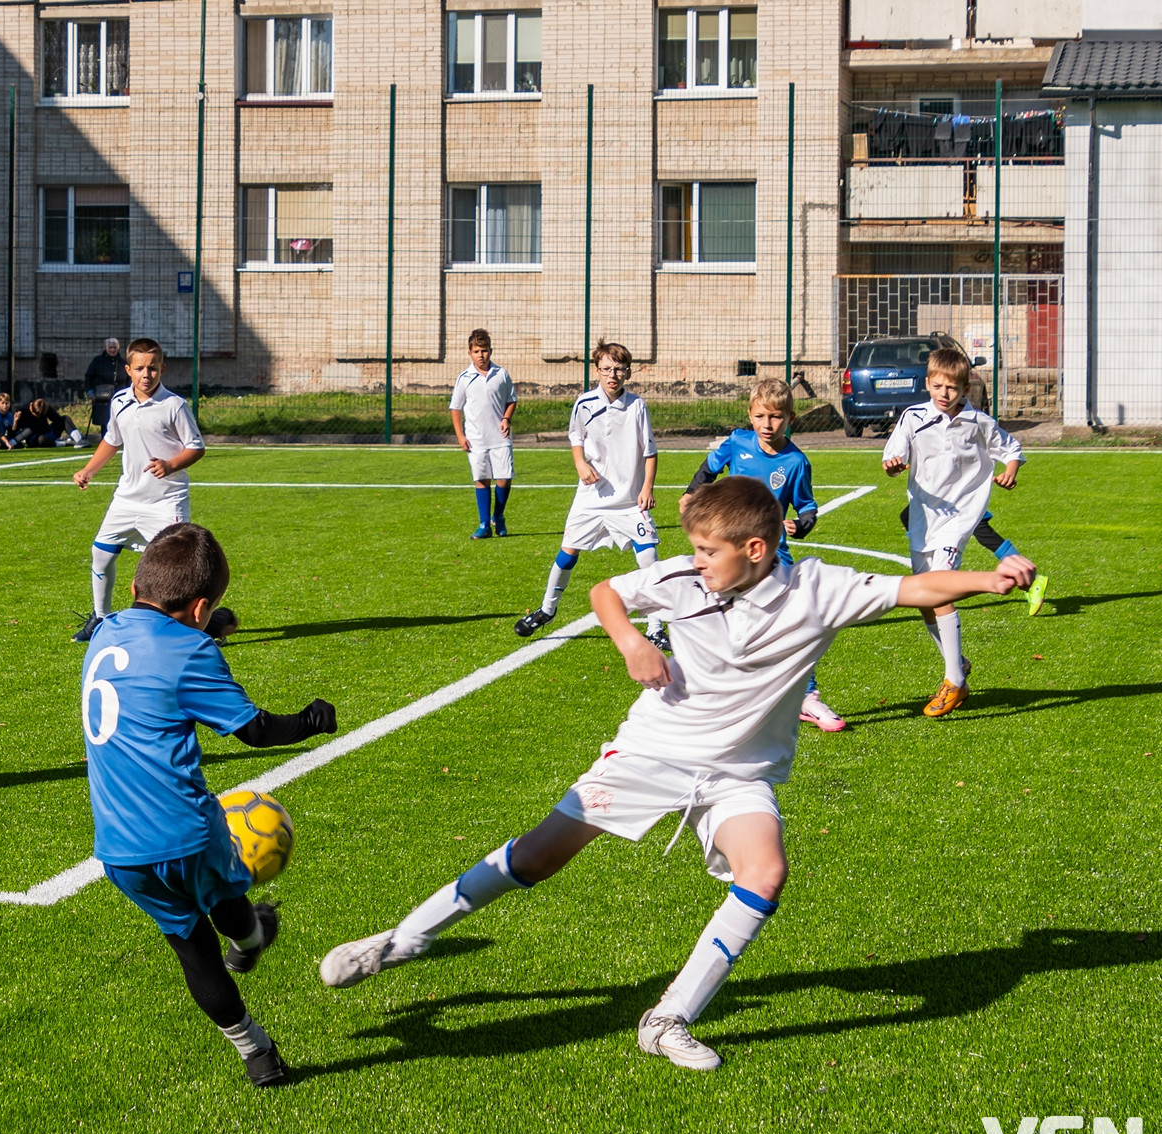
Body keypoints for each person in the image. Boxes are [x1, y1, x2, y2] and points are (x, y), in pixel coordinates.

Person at [319, 476, 1038, 1070]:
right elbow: (606, 592)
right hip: (652, 751)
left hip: (738, 774)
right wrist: (631, 642)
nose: (694, 559)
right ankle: (404, 939)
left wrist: (991, 575)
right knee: (539, 853)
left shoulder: (820, 588)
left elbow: (913, 588)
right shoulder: (681, 579)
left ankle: (667, 1019)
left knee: (766, 873)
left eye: (706, 549)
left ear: (755, 549)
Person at [83, 522, 337, 1087]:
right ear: (199, 609)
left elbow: (158, 638)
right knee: (226, 892)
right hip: (188, 831)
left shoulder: (103, 632)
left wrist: (209, 623)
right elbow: (255, 731)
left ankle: (258, 1054)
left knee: (192, 949)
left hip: (120, 849)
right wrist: (312, 719)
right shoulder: (191, 650)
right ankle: (251, 940)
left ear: (133, 590)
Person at [882, 346, 1043, 717]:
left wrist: (1011, 470)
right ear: (927, 384)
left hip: (960, 517)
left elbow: (1011, 447)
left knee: (939, 588)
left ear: (965, 388)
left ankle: (953, 679)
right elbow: (893, 455)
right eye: (937, 386)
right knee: (924, 597)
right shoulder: (913, 417)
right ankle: (959, 667)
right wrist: (892, 465)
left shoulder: (978, 422)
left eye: (951, 388)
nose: (944, 394)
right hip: (925, 515)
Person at [681, 379, 845, 732]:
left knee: (792, 624)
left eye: (776, 417)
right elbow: (708, 469)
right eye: (760, 416)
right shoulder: (737, 442)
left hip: (772, 557)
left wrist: (800, 526)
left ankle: (808, 697)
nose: (767, 425)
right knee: (716, 622)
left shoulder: (796, 462)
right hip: (727, 555)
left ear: (790, 418)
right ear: (749, 415)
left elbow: (807, 506)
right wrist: (691, 493)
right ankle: (712, 695)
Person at [514, 340, 667, 649]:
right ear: (597, 370)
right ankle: (546, 610)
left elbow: (649, 452)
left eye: (619, 369)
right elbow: (576, 437)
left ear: (628, 373)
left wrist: (647, 488)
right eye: (607, 369)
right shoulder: (584, 403)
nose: (613, 375)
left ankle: (655, 628)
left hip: (627, 500)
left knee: (649, 557)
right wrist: (579, 462)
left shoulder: (637, 406)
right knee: (567, 553)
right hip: (592, 498)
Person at [69, 338, 209, 644]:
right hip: (127, 498)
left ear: (162, 369)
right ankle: (101, 618)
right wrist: (88, 470)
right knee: (101, 553)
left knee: (176, 567)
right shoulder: (119, 402)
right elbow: (111, 440)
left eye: (153, 368)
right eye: (140, 368)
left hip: (165, 501)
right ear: (128, 369)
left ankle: (193, 626)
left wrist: (170, 465)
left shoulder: (174, 405)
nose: (147, 374)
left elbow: (196, 447)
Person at [449, 328, 516, 539]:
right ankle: (484, 524)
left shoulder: (502, 374)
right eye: (476, 351)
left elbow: (512, 400)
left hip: (500, 438)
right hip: (476, 439)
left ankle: (498, 515)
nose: (481, 355)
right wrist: (460, 436)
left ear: (490, 351)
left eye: (484, 350)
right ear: (470, 353)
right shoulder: (464, 378)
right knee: (482, 479)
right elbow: (455, 408)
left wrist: (506, 418)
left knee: (504, 478)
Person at [84, 336, 129, 431]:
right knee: (105, 422)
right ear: (106, 348)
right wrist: (90, 392)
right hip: (102, 397)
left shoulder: (123, 362)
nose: (112, 350)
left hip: (120, 396)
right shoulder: (98, 361)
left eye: (114, 347)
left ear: (118, 348)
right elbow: (89, 377)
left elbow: (129, 379)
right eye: (110, 347)